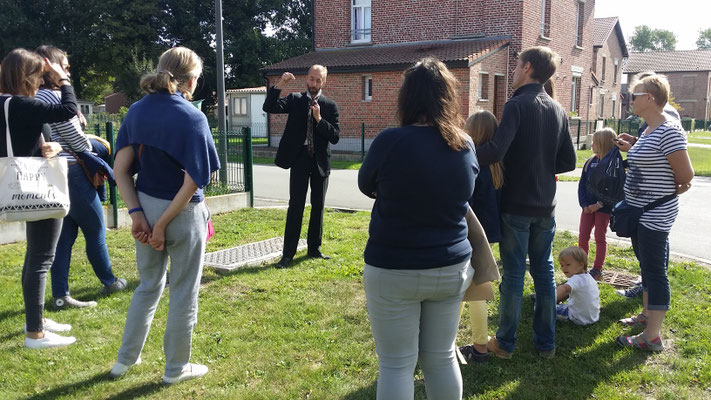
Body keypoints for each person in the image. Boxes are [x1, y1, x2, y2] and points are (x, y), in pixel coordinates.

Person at [358, 57, 478, 400]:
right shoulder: (464, 144)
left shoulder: (390, 141)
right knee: (440, 357)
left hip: (393, 267)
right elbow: (468, 190)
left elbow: (367, 184)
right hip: (450, 267)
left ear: (407, 97)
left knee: (396, 365)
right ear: (447, 96)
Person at [110, 47, 220, 383]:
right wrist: (159, 224)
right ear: (190, 80)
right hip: (182, 213)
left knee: (148, 286)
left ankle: (124, 361)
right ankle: (175, 369)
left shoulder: (137, 112)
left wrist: (137, 215)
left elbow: (120, 170)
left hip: (145, 202)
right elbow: (195, 179)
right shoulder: (192, 117)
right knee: (184, 290)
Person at [474, 46, 577, 359]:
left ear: (528, 67)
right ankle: (546, 344)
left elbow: (495, 151)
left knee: (515, 275)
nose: (514, 71)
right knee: (544, 273)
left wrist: (461, 153)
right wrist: (541, 166)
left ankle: (504, 343)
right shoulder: (558, 109)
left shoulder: (517, 104)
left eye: (517, 66)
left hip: (517, 206)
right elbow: (569, 161)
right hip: (546, 207)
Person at [34, 45, 126, 310]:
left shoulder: (36, 96)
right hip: (73, 171)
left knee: (64, 237)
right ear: (49, 66)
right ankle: (109, 281)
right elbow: (77, 142)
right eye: (64, 66)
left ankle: (60, 296)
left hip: (56, 174)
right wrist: (95, 143)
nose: (68, 71)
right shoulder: (52, 98)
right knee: (95, 229)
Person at [0, 48, 77, 348]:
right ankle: (35, 334)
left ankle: (38, 320)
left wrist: (52, 146)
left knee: (35, 256)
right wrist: (63, 79)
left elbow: (32, 135)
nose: (43, 82)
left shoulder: (6, 104)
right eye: (40, 76)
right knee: (42, 258)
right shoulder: (20, 104)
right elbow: (67, 110)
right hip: (39, 187)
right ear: (27, 76)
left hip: (19, 183)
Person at [614, 73, 693, 352]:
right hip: (639, 211)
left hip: (654, 214)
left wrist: (659, 197)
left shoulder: (669, 130)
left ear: (650, 98)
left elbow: (685, 176)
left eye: (634, 95)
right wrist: (633, 147)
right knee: (646, 266)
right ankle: (646, 315)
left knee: (655, 271)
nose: (630, 99)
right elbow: (654, 160)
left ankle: (652, 336)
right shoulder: (648, 130)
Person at [262, 65, 340, 268]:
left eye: (318, 80)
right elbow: (270, 107)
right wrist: (280, 84)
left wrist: (319, 119)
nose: (313, 84)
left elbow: (335, 136)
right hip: (299, 160)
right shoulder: (296, 99)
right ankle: (288, 254)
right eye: (311, 79)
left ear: (324, 82)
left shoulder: (329, 106)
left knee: (318, 207)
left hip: (320, 162)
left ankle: (314, 249)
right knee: (295, 206)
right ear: (307, 78)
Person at [458, 110, 503, 363]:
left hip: (470, 234)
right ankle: (478, 344)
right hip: (488, 236)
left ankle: (479, 346)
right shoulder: (497, 165)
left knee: (471, 292)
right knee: (475, 288)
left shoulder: (472, 164)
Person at [578, 128, 618, 281]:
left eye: (595, 142)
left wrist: (599, 204)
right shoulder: (590, 162)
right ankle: (581, 266)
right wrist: (584, 205)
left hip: (603, 209)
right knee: (583, 237)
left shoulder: (613, 165)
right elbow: (582, 185)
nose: (592, 144)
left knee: (600, 237)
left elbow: (614, 190)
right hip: (587, 209)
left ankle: (597, 270)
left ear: (604, 144)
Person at [553, 246, 600, 325]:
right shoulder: (589, 278)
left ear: (581, 265)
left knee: (540, 307)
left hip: (577, 317)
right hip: (593, 317)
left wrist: (548, 298)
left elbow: (564, 289)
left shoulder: (576, 279)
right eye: (562, 265)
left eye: (568, 264)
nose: (564, 268)